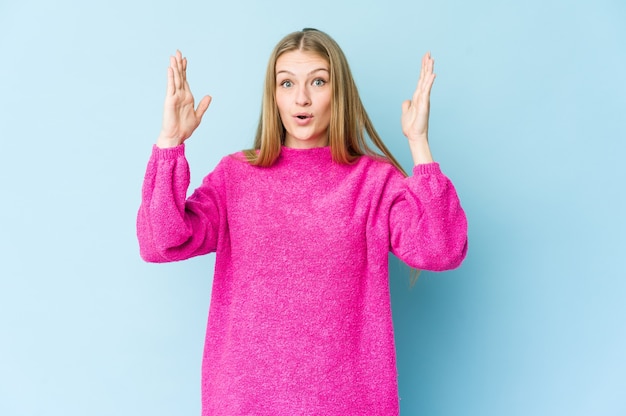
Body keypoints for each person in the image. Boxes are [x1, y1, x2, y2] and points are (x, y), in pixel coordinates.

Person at [137, 28, 467, 416]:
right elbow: (160, 242)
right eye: (287, 83)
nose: (302, 98)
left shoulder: (372, 182)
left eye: (318, 81)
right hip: (245, 403)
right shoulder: (236, 177)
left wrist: (419, 145)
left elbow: (441, 250)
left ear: (337, 91)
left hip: (350, 405)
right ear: (273, 95)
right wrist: (169, 142)